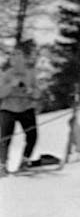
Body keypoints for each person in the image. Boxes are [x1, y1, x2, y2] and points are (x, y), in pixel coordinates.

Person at [0, 45, 41, 176]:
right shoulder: (6, 75)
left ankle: (25, 160)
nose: (16, 61)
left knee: (32, 135)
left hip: (26, 108)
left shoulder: (30, 74)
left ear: (23, 59)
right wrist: (10, 86)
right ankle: (2, 164)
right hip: (9, 108)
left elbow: (38, 93)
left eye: (18, 57)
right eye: (13, 57)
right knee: (5, 138)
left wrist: (30, 91)